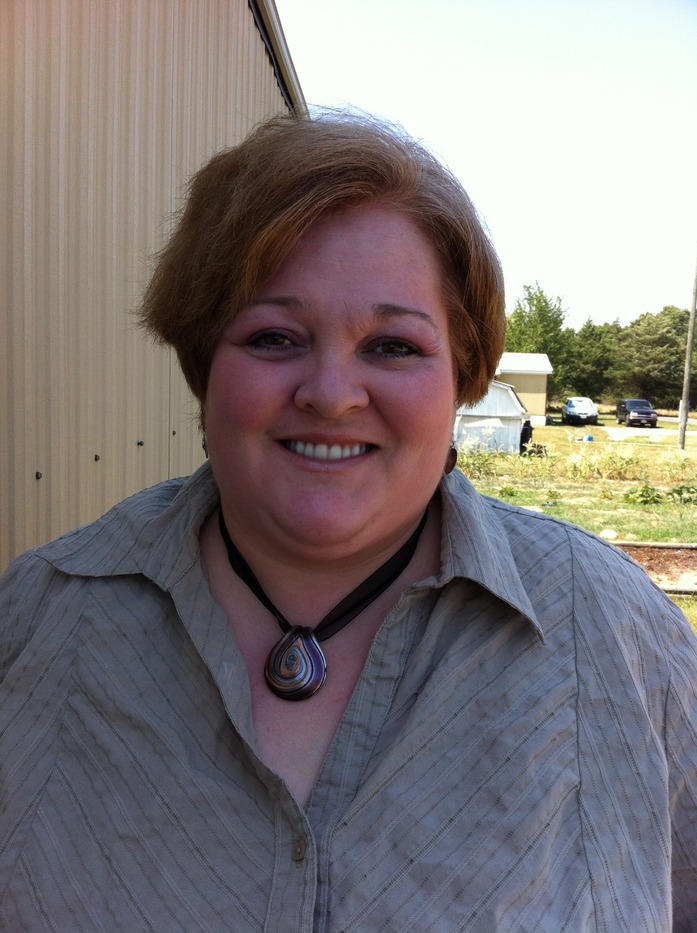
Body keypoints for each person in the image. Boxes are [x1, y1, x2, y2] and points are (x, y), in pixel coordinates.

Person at [0, 110, 695, 931]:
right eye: (273, 336)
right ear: (202, 365)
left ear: (462, 375)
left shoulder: (612, 632)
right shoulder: (36, 619)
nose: (330, 394)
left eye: (392, 346)